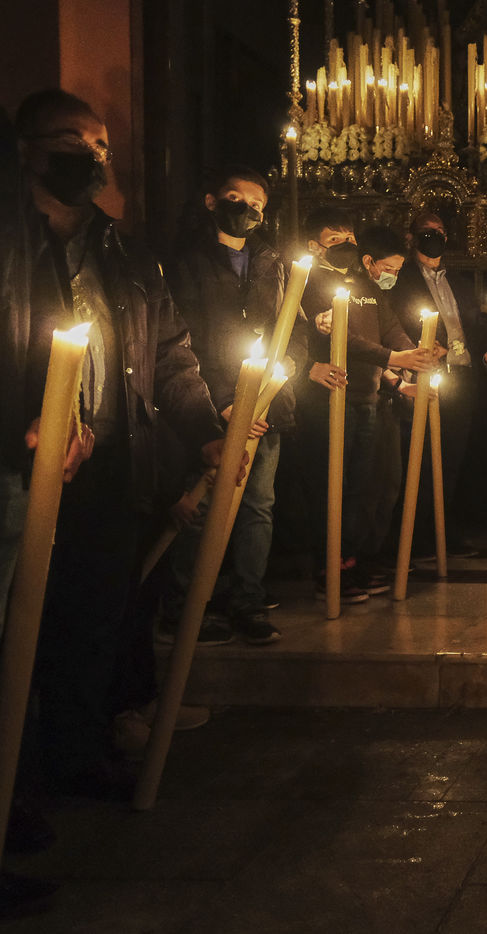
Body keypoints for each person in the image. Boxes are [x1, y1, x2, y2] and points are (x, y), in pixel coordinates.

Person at [14, 89, 226, 803]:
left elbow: (170, 355)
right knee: (22, 627)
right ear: (26, 150)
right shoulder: (13, 246)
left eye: (101, 145)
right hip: (26, 465)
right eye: (72, 142)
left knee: (93, 623)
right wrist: (29, 421)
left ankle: (76, 756)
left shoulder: (126, 253)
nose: (92, 156)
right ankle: (17, 779)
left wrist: (207, 433)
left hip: (111, 466)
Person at [158, 165, 306, 646]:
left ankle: (248, 601)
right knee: (202, 505)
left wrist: (282, 374)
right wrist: (224, 403)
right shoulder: (187, 260)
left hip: (266, 405)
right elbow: (184, 335)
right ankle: (185, 605)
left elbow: (292, 326)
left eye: (257, 205)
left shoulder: (270, 261)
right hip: (208, 404)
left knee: (258, 506)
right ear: (212, 201)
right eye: (236, 199)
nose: (247, 209)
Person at [296, 211, 433, 602]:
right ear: (315, 246)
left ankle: (349, 562)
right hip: (331, 397)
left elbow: (389, 327)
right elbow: (345, 339)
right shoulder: (310, 284)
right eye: (335, 239)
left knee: (359, 488)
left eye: (350, 238)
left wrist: (415, 353)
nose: (347, 245)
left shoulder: (363, 285)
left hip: (367, 397)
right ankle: (328, 569)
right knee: (331, 487)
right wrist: (395, 358)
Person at [387, 212, 487, 556]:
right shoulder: (402, 279)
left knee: (452, 456)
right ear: (412, 237)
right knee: (420, 455)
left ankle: (443, 529)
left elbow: (473, 326)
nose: (435, 237)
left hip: (462, 375)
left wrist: (485, 353)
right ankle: (413, 533)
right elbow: (397, 319)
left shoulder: (459, 282)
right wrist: (426, 343)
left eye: (440, 231)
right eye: (427, 232)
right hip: (426, 374)